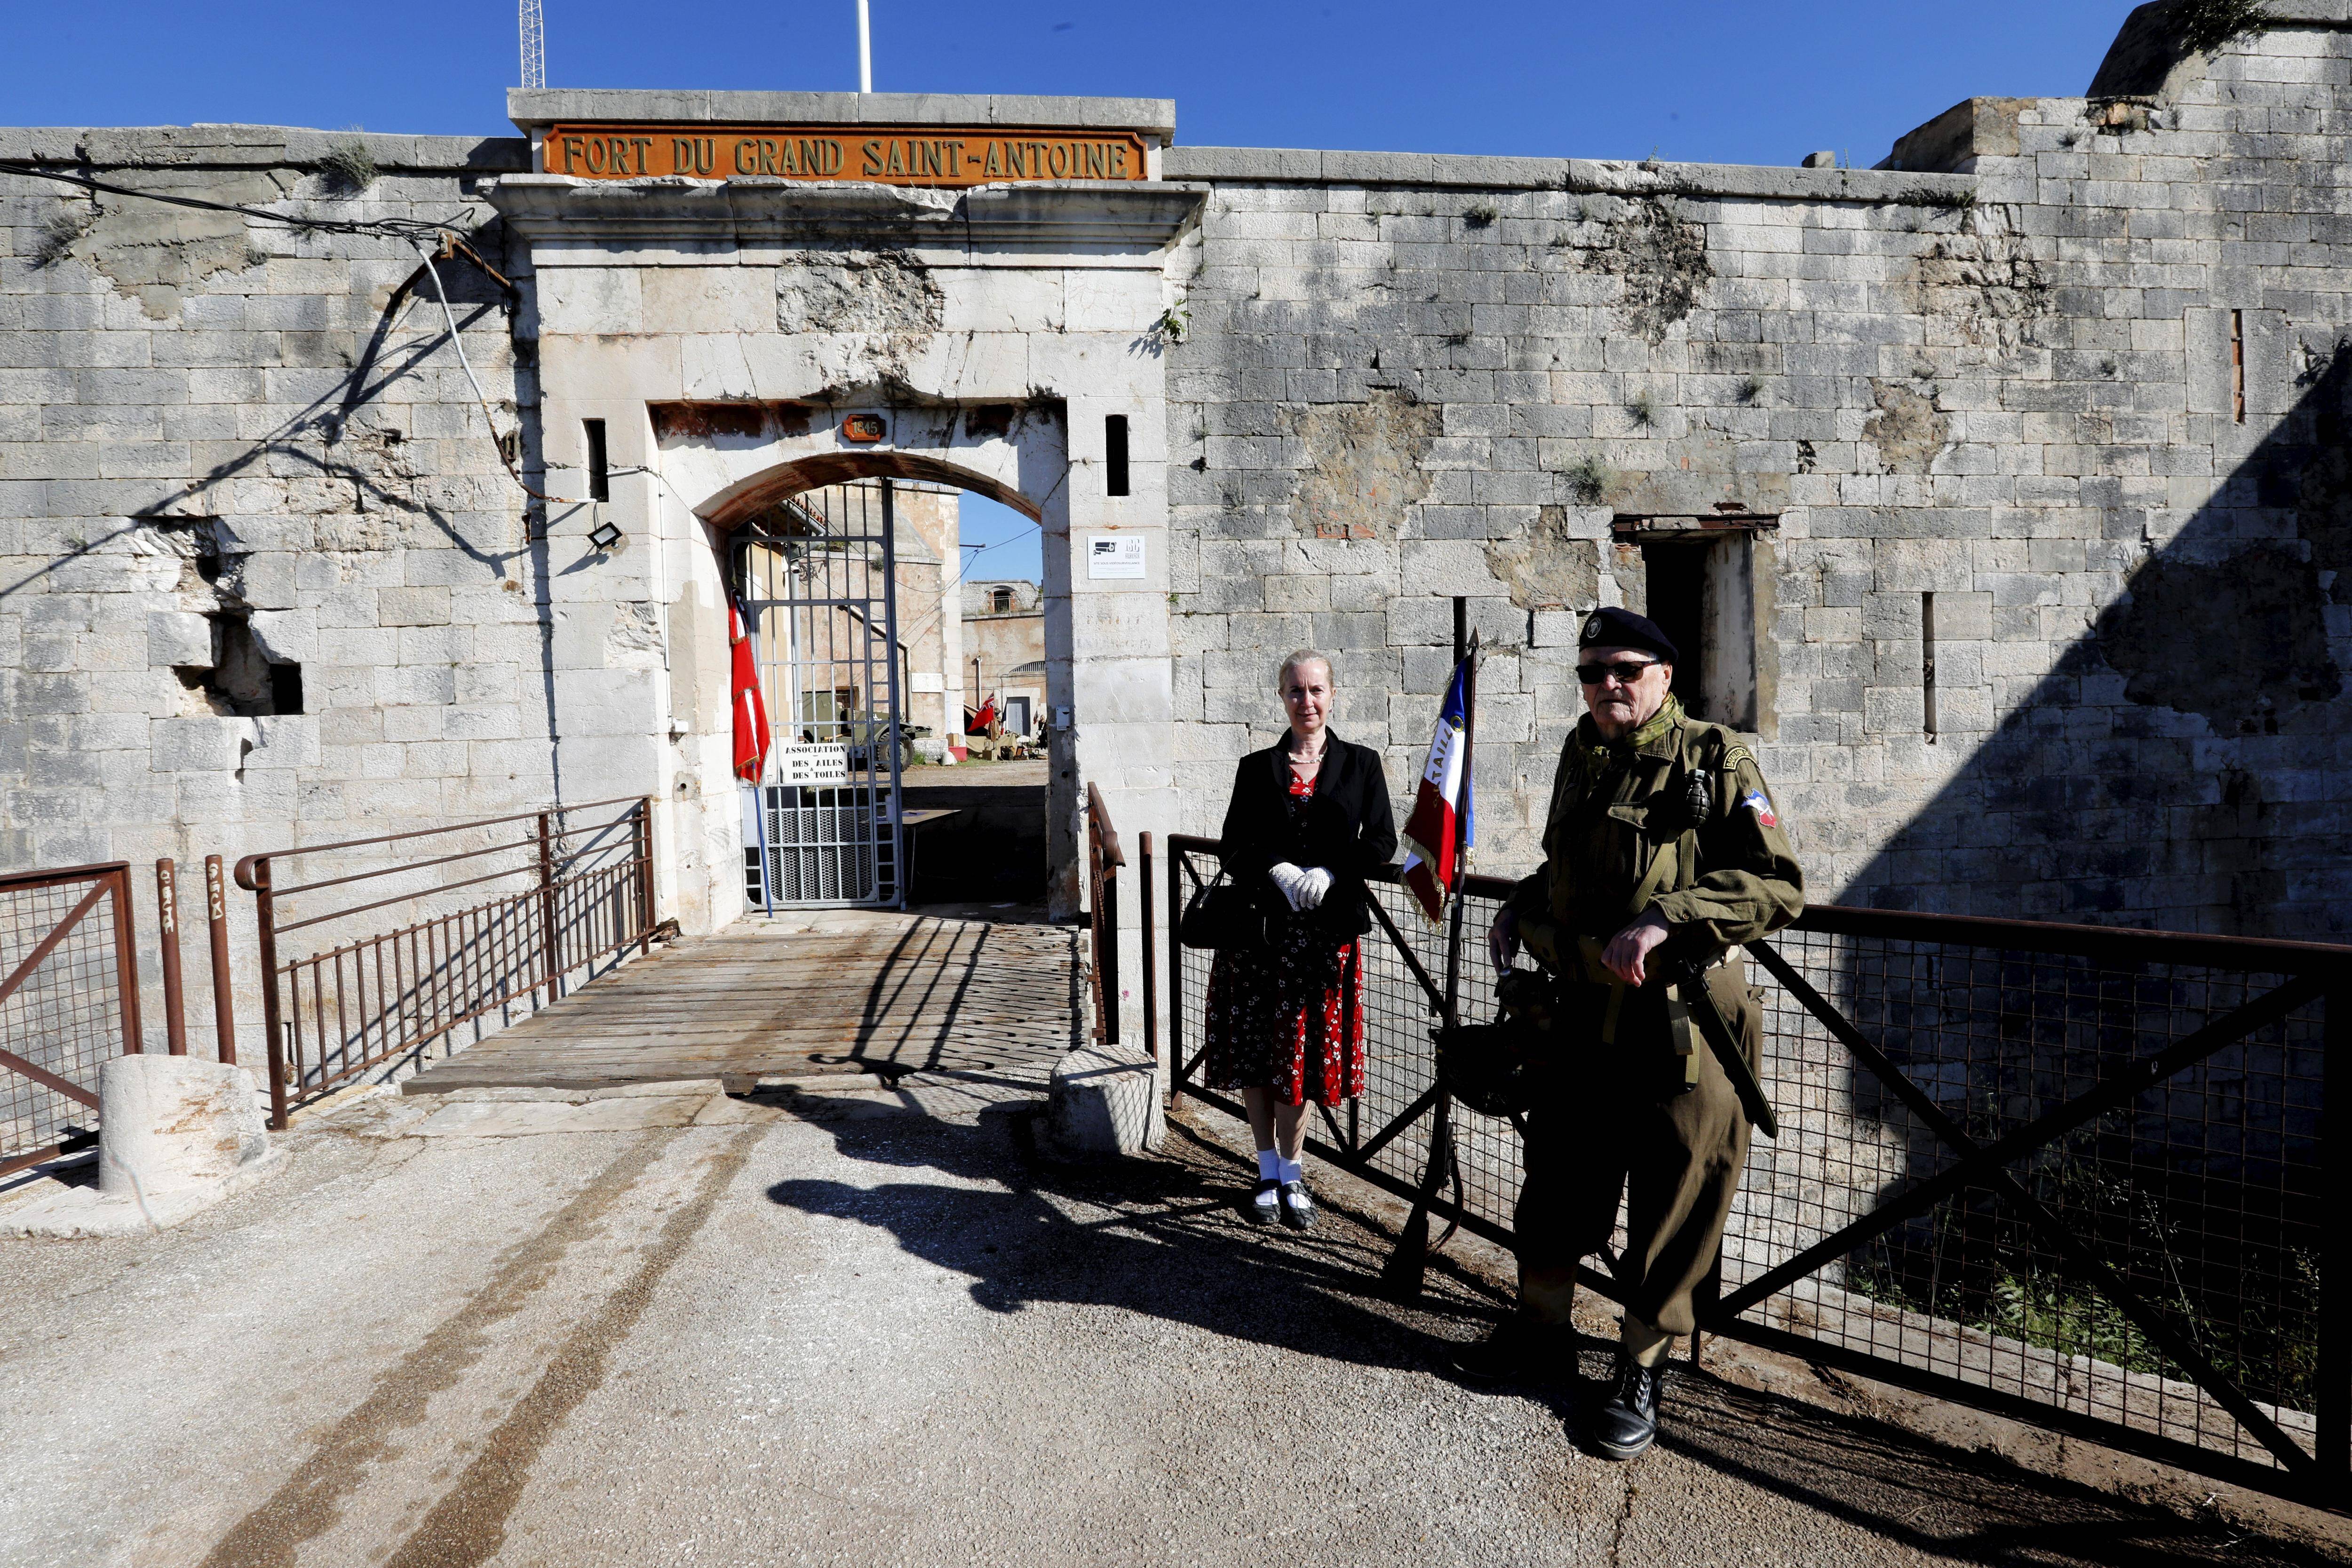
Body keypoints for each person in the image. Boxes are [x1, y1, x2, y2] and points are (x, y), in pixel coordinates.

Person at [1454, 606, 1801, 1461]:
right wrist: (1525, 902)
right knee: (1559, 1179)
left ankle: (1639, 1371)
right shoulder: (1583, 751)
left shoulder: (1716, 758)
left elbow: (1777, 886)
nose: (1608, 682)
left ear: (1665, 676)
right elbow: (1570, 864)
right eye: (1591, 670)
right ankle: (1543, 1333)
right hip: (1579, 1021)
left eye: (1626, 668)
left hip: (1680, 1029)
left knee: (1673, 1200)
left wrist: (1668, 920)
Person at [1203, 649, 1397, 1230]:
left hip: (1324, 940)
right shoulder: (1254, 767)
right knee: (1259, 1055)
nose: (1305, 701)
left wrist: (1332, 872)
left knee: (1303, 1058)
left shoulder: (1361, 765)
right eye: (1294, 691)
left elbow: (1381, 843)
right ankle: (1265, 1170)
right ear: (1280, 697)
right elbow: (1232, 845)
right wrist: (1277, 870)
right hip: (1260, 937)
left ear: (1332, 695)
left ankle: (1294, 1171)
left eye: (1315, 691)